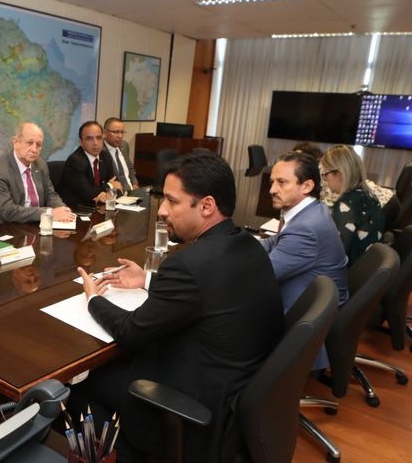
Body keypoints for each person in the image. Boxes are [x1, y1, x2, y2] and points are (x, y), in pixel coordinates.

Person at [76, 152, 284, 463]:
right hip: (234, 388)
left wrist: (94, 298)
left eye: (172, 202)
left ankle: (124, 451)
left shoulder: (188, 264)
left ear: (207, 206)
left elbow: (130, 331)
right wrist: (147, 279)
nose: (161, 210)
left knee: (83, 384)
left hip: (196, 406)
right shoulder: (248, 245)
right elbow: (208, 290)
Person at [260, 151, 348, 368]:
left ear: (307, 186)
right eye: (272, 182)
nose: (272, 189)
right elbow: (274, 242)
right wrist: (238, 245)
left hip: (303, 313)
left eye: (282, 182)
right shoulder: (313, 210)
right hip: (312, 297)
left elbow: (262, 275)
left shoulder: (306, 228)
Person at [0, 122, 74, 228]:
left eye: (38, 145)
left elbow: (50, 195)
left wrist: (63, 210)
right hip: (2, 229)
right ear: (16, 142)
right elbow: (8, 211)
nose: (34, 150)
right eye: (29, 143)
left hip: (33, 225)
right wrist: (49, 213)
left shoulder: (40, 164)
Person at [321, 144, 384, 266]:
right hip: (366, 266)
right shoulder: (369, 196)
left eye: (325, 174)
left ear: (339, 174)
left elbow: (335, 255)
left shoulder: (346, 205)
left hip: (347, 272)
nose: (325, 180)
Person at [59, 121, 122, 209]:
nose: (95, 143)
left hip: (99, 208)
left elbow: (118, 185)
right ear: (81, 142)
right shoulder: (75, 160)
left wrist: (108, 194)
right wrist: (110, 186)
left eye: (99, 138)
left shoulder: (105, 156)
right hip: (78, 209)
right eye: (89, 138)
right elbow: (89, 194)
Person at [103, 117, 138, 192]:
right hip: (115, 194)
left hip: (131, 192)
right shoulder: (100, 151)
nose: (120, 136)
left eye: (122, 132)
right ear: (105, 133)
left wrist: (135, 184)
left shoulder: (124, 145)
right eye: (116, 132)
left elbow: (130, 168)